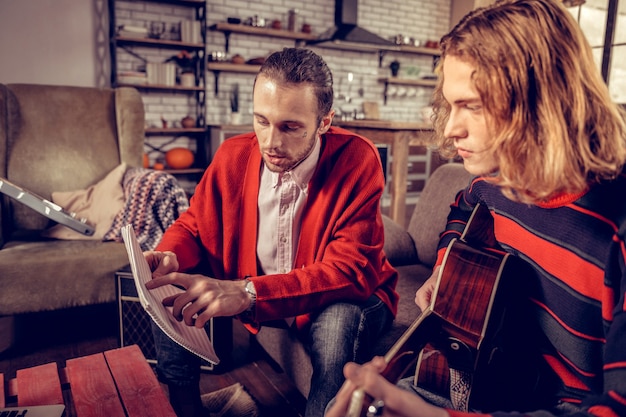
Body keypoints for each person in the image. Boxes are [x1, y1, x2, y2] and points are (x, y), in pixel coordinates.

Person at [326, 1, 626, 416]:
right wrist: (444, 269)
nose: (450, 128)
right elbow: (464, 207)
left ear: (542, 101)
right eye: (450, 105)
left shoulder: (617, 230)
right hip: (493, 379)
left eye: (474, 105)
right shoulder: (498, 180)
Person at [143, 47, 398, 417]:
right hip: (267, 295)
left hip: (338, 296)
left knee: (337, 324)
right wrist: (170, 254)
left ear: (325, 122)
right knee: (168, 283)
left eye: (290, 127)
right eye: (261, 121)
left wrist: (247, 292)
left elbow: (349, 272)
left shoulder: (358, 159)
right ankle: (185, 408)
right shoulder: (232, 155)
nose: (270, 142)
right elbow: (193, 224)